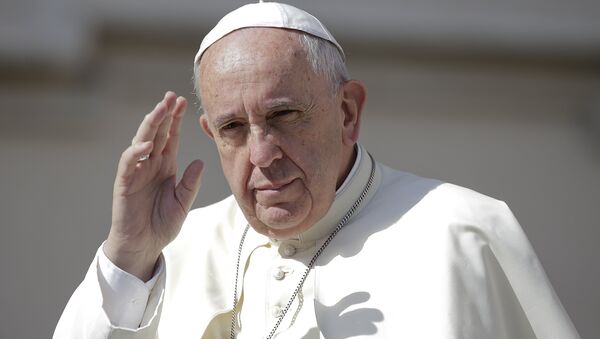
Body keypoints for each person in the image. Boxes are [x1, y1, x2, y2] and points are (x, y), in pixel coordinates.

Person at [54, 2, 580, 338]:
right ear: (212, 135)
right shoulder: (167, 254)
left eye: (283, 116)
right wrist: (129, 257)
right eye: (234, 128)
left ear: (348, 113)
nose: (262, 154)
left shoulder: (463, 232)